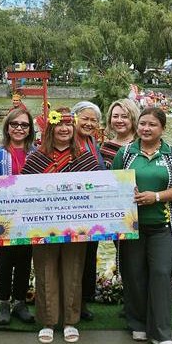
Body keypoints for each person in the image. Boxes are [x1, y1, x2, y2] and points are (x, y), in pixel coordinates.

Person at [113, 107, 172, 344]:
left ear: (162, 129)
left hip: (162, 224)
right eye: (143, 123)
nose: (146, 128)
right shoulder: (125, 153)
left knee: (160, 273)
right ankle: (137, 322)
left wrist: (156, 196)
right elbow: (112, 183)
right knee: (134, 273)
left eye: (152, 125)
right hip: (132, 225)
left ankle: (161, 332)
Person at [23, 106, 101, 344]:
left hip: (76, 226)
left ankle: (69, 321)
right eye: (60, 124)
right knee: (45, 271)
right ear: (51, 128)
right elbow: (22, 190)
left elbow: (99, 189)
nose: (65, 129)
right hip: (43, 226)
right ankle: (47, 321)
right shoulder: (36, 157)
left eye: (69, 124)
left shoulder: (85, 157)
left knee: (73, 270)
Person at [0, 106, 37, 327]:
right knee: (5, 260)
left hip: (29, 217)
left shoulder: (37, 154)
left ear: (30, 129)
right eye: (14, 124)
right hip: (5, 217)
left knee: (25, 259)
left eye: (24, 125)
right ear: (7, 127)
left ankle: (20, 301)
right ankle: (4, 302)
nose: (19, 128)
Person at [71, 101, 105, 317]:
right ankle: (68, 301)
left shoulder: (93, 141)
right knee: (70, 257)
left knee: (89, 256)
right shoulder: (65, 141)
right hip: (71, 210)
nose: (89, 123)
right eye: (85, 118)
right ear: (74, 118)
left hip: (92, 210)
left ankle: (83, 301)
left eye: (94, 120)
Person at [100, 98, 142, 168]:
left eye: (124, 117)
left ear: (133, 119)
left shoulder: (140, 146)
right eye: (115, 116)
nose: (119, 120)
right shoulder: (104, 147)